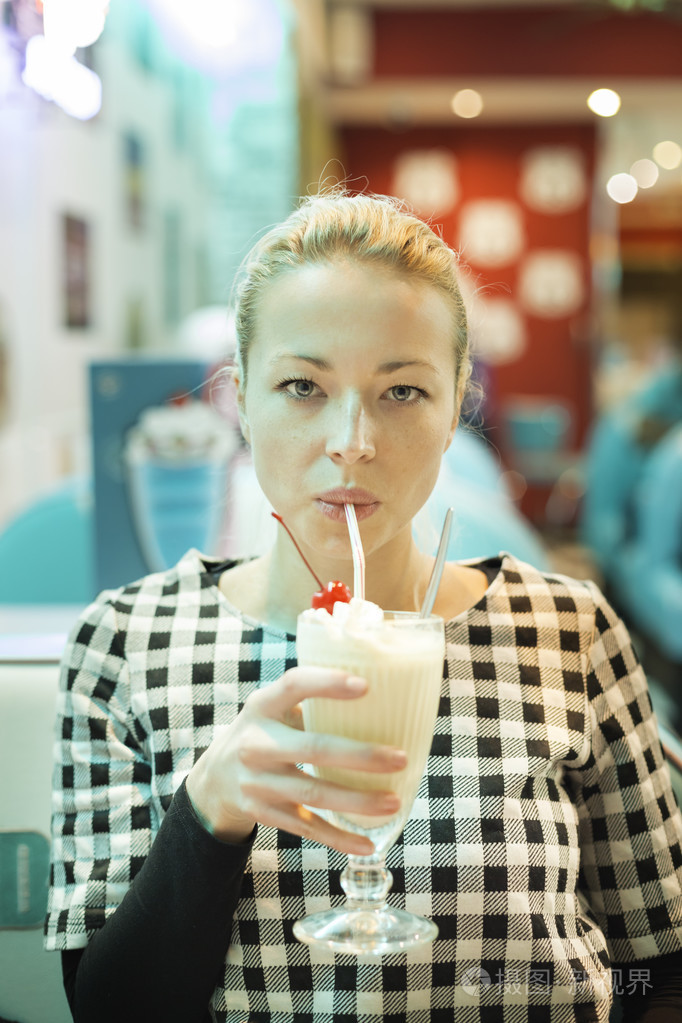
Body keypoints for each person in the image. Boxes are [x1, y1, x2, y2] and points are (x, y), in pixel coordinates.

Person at [45, 191, 682, 1023]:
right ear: (238, 399)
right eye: (303, 385)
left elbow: (660, 968)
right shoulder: (125, 645)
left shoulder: (569, 633)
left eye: (403, 392)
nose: (352, 438)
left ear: (458, 405)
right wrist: (207, 815)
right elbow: (108, 1007)